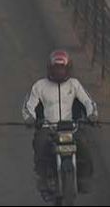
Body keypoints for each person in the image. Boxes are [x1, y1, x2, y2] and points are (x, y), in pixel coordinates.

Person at [22, 50, 98, 198]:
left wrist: (92, 115)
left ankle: (83, 178)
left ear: (68, 68)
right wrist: (29, 118)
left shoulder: (74, 84)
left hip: (71, 127)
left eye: (62, 68)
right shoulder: (39, 86)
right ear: (50, 68)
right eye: (56, 68)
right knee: (40, 144)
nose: (59, 71)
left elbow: (88, 102)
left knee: (85, 145)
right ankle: (43, 178)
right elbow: (28, 106)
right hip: (47, 127)